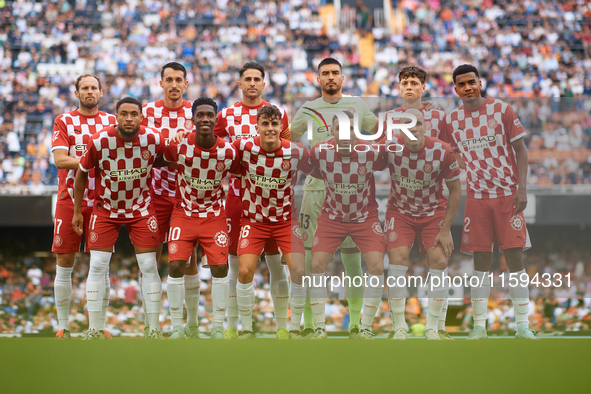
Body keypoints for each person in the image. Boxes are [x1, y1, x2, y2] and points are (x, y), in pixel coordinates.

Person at [441, 64, 536, 339]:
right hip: (477, 198)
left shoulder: (502, 110)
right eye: (462, 84)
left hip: (508, 196)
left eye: (472, 81)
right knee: (481, 260)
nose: (468, 87)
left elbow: (521, 150)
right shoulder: (451, 121)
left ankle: (522, 326)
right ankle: (479, 327)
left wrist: (522, 188)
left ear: (480, 83)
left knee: (514, 258)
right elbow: (446, 153)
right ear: (456, 88)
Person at [290, 57, 379, 338]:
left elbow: (378, 133)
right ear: (317, 79)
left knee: (352, 261)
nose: (330, 77)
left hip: (351, 193)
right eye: (325, 73)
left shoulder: (359, 105)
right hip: (316, 190)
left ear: (343, 78)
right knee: (308, 260)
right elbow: (287, 140)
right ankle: (309, 324)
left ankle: (355, 324)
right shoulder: (307, 109)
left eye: (335, 73)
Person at [73, 97, 166, 340]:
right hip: (106, 210)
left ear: (141, 117)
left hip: (141, 209)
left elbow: (169, 158)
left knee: (148, 266)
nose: (128, 118)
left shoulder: (153, 138)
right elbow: (82, 174)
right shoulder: (100, 140)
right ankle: (94, 329)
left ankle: (154, 328)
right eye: (123, 113)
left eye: (133, 114)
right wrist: (76, 211)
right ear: (116, 115)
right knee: (97, 265)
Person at [214, 62, 291, 339]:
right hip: (238, 198)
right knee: (237, 266)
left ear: (264, 84)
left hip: (275, 202)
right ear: (239, 84)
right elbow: (214, 149)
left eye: (257, 79)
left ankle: (283, 326)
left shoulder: (277, 113)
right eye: (247, 79)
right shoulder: (226, 114)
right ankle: (235, 327)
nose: (252, 83)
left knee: (275, 264)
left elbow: (287, 151)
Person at [384, 64, 455, 339]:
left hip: (433, 202)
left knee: (439, 261)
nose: (410, 86)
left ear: (423, 87)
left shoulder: (438, 115)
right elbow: (379, 153)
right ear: (399, 87)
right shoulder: (389, 117)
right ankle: (398, 326)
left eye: (415, 82)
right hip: (400, 202)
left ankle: (436, 327)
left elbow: (451, 153)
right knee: (397, 261)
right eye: (405, 83)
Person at [232, 105, 311, 339]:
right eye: (265, 124)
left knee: (297, 270)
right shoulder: (243, 147)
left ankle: (293, 328)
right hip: (254, 221)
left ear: (282, 127)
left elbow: (319, 170)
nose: (269, 128)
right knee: (244, 271)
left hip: (286, 221)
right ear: (257, 127)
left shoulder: (296, 151)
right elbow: (222, 159)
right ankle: (246, 329)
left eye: (274, 124)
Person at [162, 97, 238, 339]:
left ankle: (217, 327)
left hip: (213, 214)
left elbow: (242, 172)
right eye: (200, 115)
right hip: (183, 212)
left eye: (209, 115)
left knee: (220, 267)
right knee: (175, 265)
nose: (205, 118)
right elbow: (156, 159)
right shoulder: (179, 144)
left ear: (216, 119)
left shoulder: (228, 150)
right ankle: (177, 327)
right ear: (192, 119)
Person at [306, 112, 387, 339]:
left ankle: (365, 328)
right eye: (339, 129)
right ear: (332, 131)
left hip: (365, 219)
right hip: (332, 219)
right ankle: (320, 328)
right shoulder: (320, 151)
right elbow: (307, 167)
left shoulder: (370, 152)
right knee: (316, 266)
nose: (344, 134)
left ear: (356, 132)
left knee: (377, 267)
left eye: (350, 129)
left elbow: (396, 158)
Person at [51, 74, 116, 340]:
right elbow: (59, 159)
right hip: (69, 200)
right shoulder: (64, 120)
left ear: (101, 92)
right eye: (84, 88)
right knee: (65, 261)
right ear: (76, 93)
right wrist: (90, 161)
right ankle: (63, 326)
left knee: (101, 265)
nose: (89, 91)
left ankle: (98, 327)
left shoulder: (112, 121)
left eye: (94, 88)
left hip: (103, 200)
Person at [141, 62, 199, 338]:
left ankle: (191, 324)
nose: (174, 84)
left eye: (179, 80)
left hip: (188, 196)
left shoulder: (195, 112)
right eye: (169, 79)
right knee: (149, 261)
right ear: (161, 83)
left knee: (189, 261)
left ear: (185, 84)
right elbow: (140, 150)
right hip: (153, 196)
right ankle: (152, 325)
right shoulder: (147, 113)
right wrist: (172, 148)